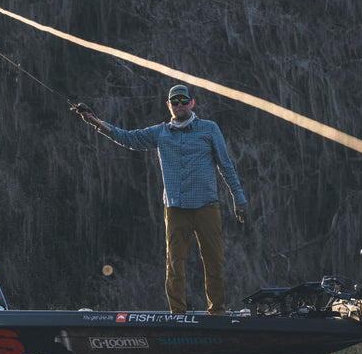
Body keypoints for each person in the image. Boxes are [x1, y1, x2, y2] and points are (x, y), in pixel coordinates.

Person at [73, 84, 248, 315]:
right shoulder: (160, 132)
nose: (179, 105)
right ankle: (177, 315)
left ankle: (217, 313)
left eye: (183, 101)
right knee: (174, 265)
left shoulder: (209, 129)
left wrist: (239, 198)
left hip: (206, 206)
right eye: (174, 101)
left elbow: (225, 165)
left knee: (214, 262)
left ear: (192, 103)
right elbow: (128, 138)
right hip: (175, 208)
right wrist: (96, 122)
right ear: (168, 105)